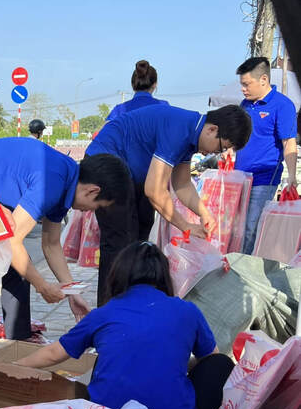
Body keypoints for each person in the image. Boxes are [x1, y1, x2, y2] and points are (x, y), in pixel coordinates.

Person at [16, 241, 233, 409]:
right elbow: (212, 361)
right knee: (222, 365)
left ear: (118, 275)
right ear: (164, 277)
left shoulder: (104, 314)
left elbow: (53, 353)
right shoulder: (187, 310)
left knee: (104, 366)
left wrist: (11, 367)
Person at [85, 104, 252, 305]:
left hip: (131, 173)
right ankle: (109, 313)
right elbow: (155, 191)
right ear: (212, 129)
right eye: (221, 148)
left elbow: (181, 185)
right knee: (121, 245)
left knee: (140, 242)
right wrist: (186, 226)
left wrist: (203, 213)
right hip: (106, 165)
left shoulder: (191, 136)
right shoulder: (179, 129)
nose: (215, 154)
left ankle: (131, 306)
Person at [0, 137, 131, 340]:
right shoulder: (53, 182)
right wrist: (43, 286)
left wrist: (73, 294)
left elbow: (51, 244)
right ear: (93, 190)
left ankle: (16, 348)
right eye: (97, 206)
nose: (91, 211)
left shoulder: (66, 180)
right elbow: (11, 242)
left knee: (20, 270)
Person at [233, 56, 298, 254]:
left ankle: (242, 271)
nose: (243, 89)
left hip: (264, 178)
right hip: (239, 178)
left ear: (263, 79)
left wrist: (293, 176)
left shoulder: (283, 105)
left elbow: (289, 143)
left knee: (251, 228)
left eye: (247, 84)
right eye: (241, 85)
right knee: (235, 228)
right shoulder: (245, 104)